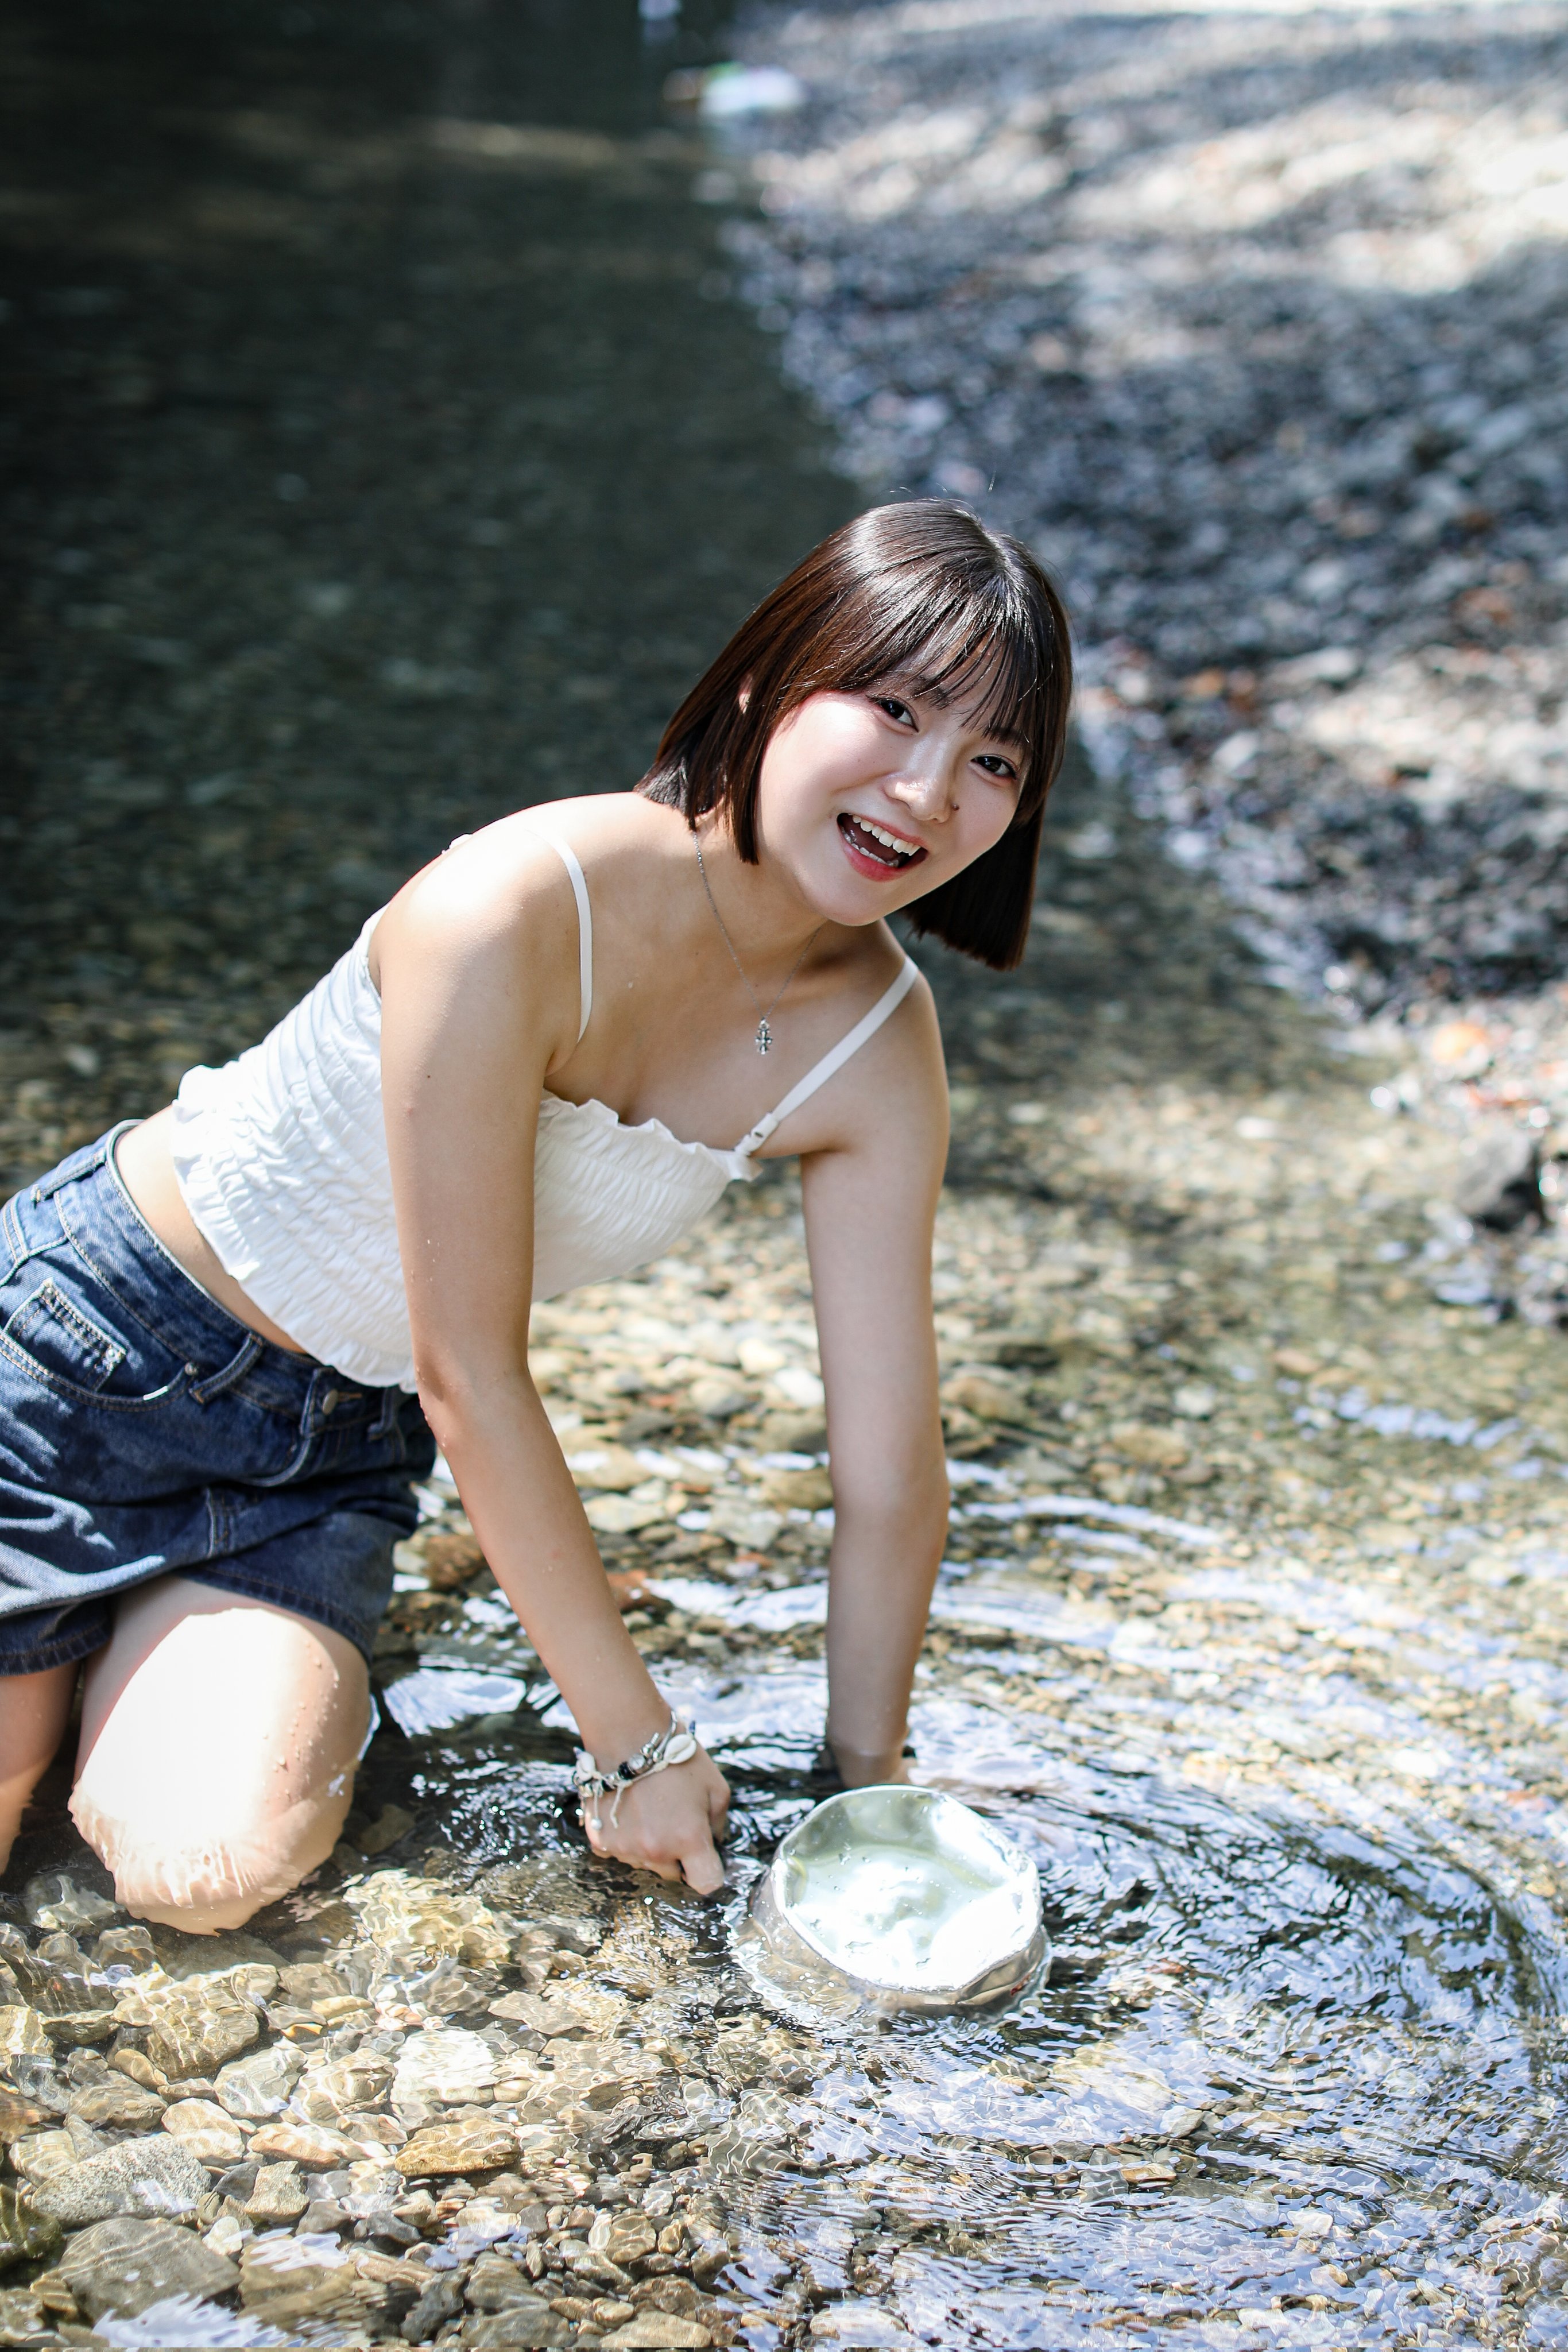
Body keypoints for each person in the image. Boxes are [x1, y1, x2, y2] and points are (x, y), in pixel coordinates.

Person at [0, 500, 1071, 1932]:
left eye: (992, 759)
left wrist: (858, 1787)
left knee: (211, 1876)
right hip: (82, 1362)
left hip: (327, 1450)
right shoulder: (512, 905)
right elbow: (474, 1369)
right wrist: (636, 1742)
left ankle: (95, 1664)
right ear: (764, 678)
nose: (931, 793)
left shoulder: (875, 1039)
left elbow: (891, 1466)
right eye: (892, 708)